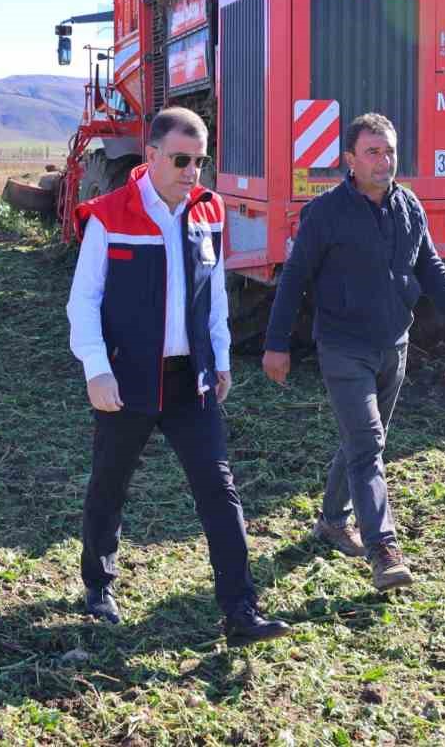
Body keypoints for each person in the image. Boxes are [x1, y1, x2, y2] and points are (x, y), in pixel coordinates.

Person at [67, 106, 291, 644]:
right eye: (182, 159)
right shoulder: (110, 215)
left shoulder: (207, 212)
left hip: (191, 380)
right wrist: (97, 371)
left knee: (220, 490)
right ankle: (99, 584)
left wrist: (221, 358)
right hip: (128, 380)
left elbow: (212, 294)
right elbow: (83, 303)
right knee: (110, 484)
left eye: (201, 160)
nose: (193, 171)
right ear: (151, 156)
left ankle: (241, 610)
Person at [262, 112, 445, 590]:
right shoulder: (324, 214)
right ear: (350, 160)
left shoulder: (409, 207)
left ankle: (330, 521)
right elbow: (294, 279)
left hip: (393, 344)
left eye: (389, 151)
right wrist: (276, 344)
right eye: (372, 152)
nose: (384, 161)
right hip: (343, 345)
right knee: (368, 443)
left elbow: (430, 265)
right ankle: (383, 549)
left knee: (363, 440)